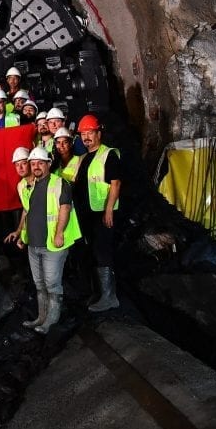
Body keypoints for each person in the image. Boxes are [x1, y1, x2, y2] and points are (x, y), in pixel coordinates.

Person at [17, 147, 81, 333]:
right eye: (33, 163)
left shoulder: (60, 183)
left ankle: (51, 321)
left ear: (48, 164)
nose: (36, 166)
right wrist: (22, 235)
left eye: (40, 163)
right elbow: (28, 212)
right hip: (34, 244)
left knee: (52, 283)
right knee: (39, 283)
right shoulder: (30, 186)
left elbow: (65, 209)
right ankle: (41, 318)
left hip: (53, 244)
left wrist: (59, 233)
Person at [72, 114, 122, 312]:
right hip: (87, 213)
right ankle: (99, 293)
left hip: (102, 212)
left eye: (90, 132)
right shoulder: (83, 157)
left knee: (102, 252)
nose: (86, 137)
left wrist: (109, 209)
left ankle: (110, 297)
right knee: (92, 251)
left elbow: (116, 183)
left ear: (98, 133)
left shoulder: (108, 154)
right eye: (83, 134)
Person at [3, 147, 33, 250]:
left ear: (30, 163)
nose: (20, 168)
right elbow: (26, 210)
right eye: (17, 165)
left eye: (23, 163)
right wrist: (19, 231)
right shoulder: (21, 185)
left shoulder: (42, 181)